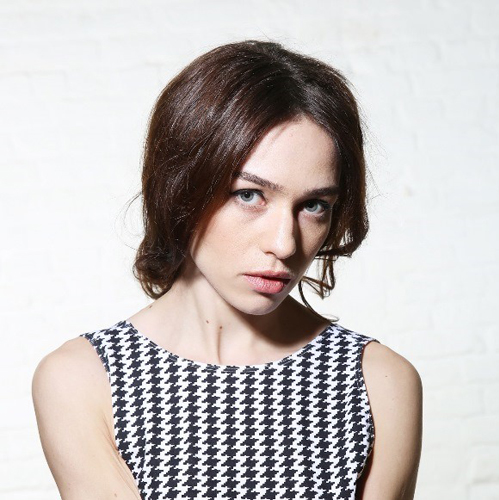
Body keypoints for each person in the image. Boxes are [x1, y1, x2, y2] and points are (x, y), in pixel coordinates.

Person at [32, 39, 422, 500]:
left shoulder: (379, 383)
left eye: (314, 205)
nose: (285, 244)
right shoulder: (83, 379)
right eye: (249, 195)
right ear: (180, 187)